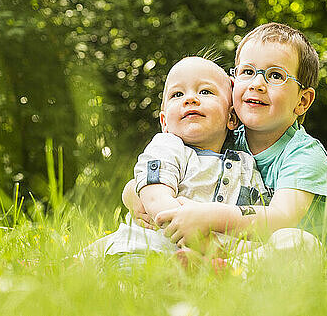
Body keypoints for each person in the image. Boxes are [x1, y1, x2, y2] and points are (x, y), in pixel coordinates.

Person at [123, 22, 327, 267]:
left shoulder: (304, 154)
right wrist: (134, 194)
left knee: (298, 242)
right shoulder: (223, 136)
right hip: (230, 248)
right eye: (247, 72)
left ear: (302, 101)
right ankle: (211, 270)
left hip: (293, 259)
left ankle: (230, 272)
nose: (257, 83)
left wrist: (209, 216)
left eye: (275, 76)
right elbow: (168, 167)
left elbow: (281, 218)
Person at [81, 56, 267, 258]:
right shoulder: (168, 147)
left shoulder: (247, 163)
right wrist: (203, 242)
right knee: (132, 269)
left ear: (231, 117)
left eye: (205, 92)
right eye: (177, 94)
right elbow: (155, 197)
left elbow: (256, 219)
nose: (190, 99)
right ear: (164, 122)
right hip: (147, 249)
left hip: (213, 257)